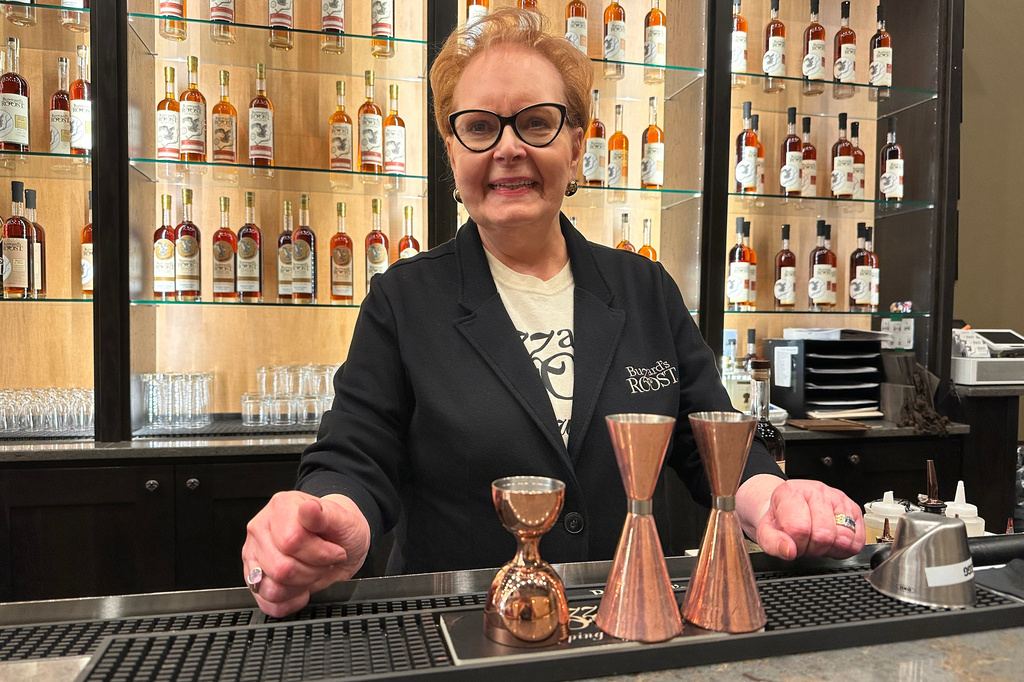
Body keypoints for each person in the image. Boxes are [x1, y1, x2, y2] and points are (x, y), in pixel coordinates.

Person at [242, 9, 865, 619]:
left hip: (630, 625)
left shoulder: (645, 289)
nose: (508, 148)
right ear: (451, 152)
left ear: (576, 145)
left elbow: (709, 438)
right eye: (480, 127)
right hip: (466, 636)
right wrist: (329, 523)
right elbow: (357, 455)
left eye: (536, 123)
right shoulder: (402, 301)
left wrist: (775, 499)